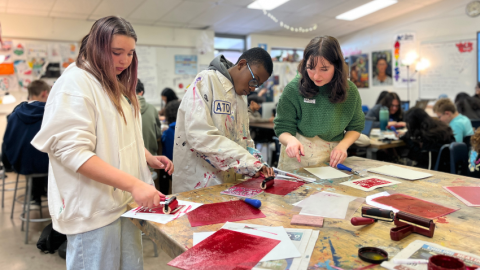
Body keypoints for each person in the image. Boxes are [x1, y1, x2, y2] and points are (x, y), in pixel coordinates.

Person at [31, 16, 173, 270]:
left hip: (123, 202)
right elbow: (73, 152)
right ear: (96, 47)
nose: (125, 60)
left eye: (130, 53)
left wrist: (147, 157)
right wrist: (134, 184)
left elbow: (117, 136)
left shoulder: (112, 82)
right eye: (117, 52)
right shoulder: (75, 84)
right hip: (94, 208)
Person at [172, 48, 275, 193]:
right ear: (241, 64)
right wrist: (248, 162)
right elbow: (200, 136)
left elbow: (244, 140)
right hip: (200, 182)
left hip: (228, 183)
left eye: (257, 85)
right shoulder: (206, 81)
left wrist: (259, 163)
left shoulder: (241, 96)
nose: (253, 88)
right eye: (254, 80)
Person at [274, 36, 365, 171]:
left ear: (336, 66)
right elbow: (282, 128)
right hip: (297, 160)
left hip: (330, 158)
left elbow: (355, 127)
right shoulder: (293, 89)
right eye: (310, 67)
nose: (316, 76)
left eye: (324, 69)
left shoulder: (350, 91)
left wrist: (343, 146)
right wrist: (290, 140)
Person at [3, 80, 50, 207]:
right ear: (45, 93)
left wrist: (7, 165)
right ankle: (52, 199)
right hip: (45, 165)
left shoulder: (14, 114)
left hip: (20, 165)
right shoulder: (50, 113)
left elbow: (6, 143)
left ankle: (36, 197)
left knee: (33, 155)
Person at [160, 99, 181, 194]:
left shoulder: (167, 132)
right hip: (182, 167)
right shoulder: (185, 131)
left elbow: (162, 141)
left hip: (168, 166)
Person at [136, 79, 162, 156]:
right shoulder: (152, 109)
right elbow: (158, 134)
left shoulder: (119, 109)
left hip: (126, 163)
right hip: (151, 160)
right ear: (141, 92)